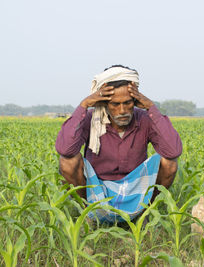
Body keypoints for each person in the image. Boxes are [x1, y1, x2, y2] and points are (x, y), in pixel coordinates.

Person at [55, 65, 182, 223]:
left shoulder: (144, 119)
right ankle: (88, 214)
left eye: (127, 103)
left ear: (135, 100)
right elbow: (65, 149)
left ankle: (144, 214)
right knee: (68, 161)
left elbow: (173, 151)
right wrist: (84, 105)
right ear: (104, 102)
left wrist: (151, 107)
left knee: (169, 162)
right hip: (97, 188)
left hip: (135, 188)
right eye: (115, 104)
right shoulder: (91, 119)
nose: (122, 110)